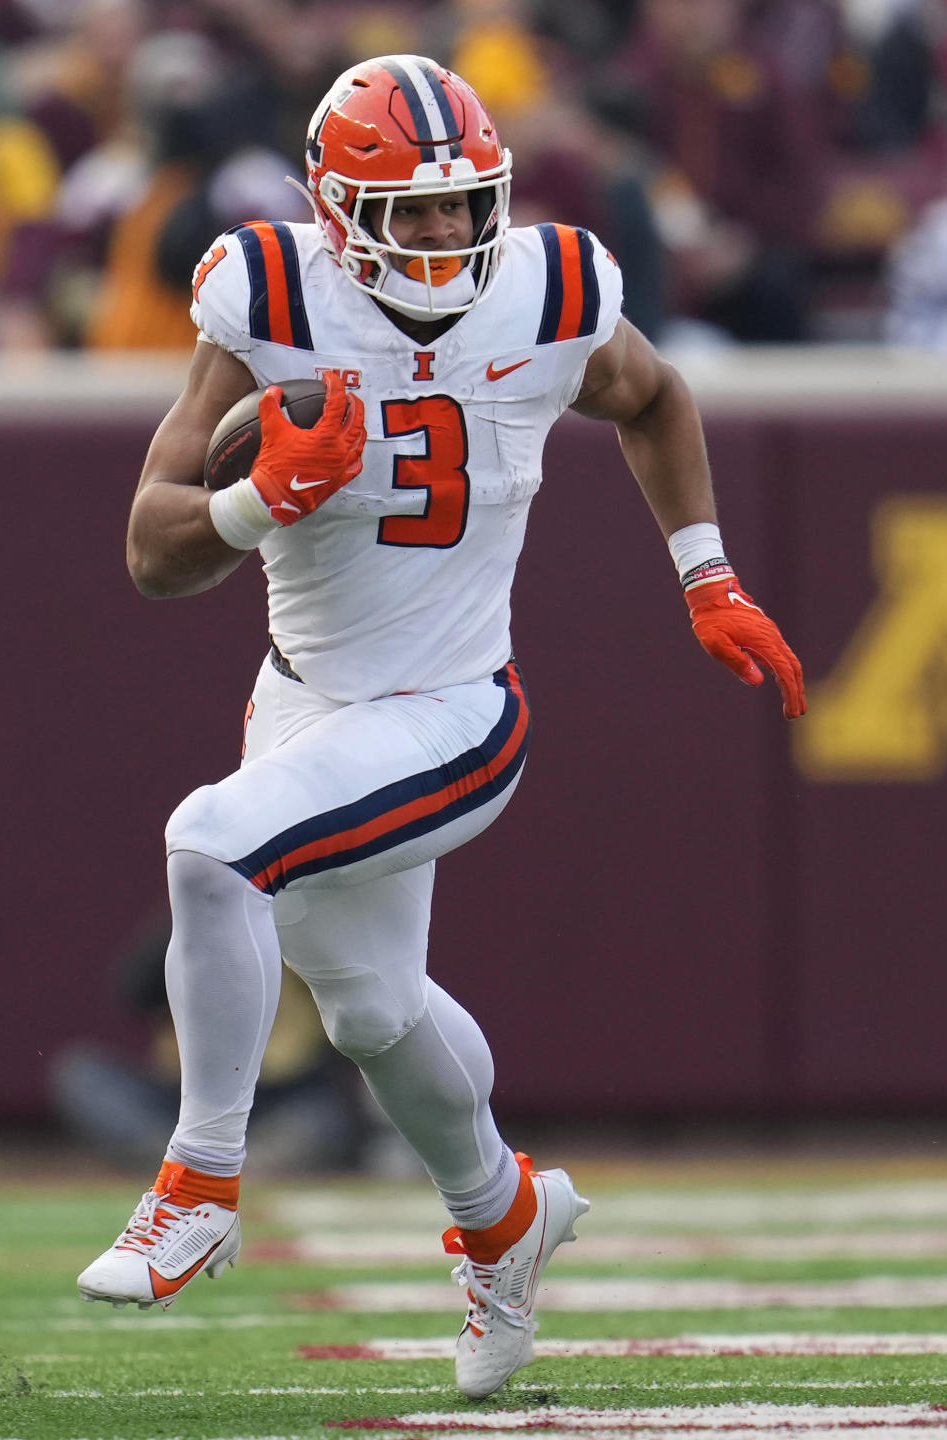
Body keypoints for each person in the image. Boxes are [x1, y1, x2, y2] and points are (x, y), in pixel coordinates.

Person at [76, 53, 806, 1400]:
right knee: (369, 1008)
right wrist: (254, 503)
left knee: (211, 842)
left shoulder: (550, 285)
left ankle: (200, 1183)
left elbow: (649, 394)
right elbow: (152, 550)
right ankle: (505, 1217)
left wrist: (706, 573)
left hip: (457, 708)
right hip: (305, 698)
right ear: (333, 209)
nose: (441, 236)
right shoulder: (272, 295)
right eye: (405, 212)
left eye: (464, 207)